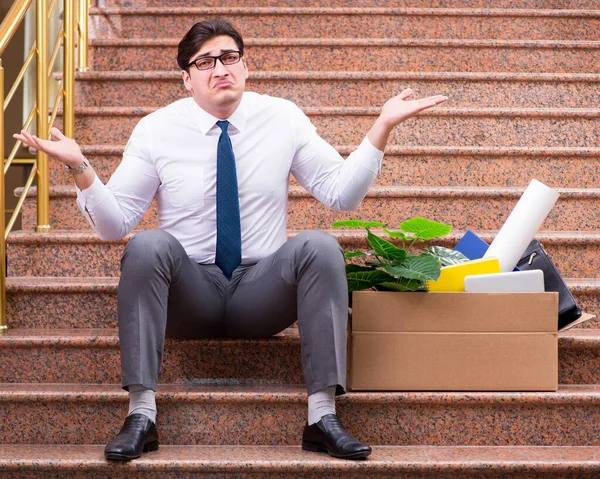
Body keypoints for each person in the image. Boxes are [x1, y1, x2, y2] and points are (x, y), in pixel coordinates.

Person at [15, 18, 447, 461]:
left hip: (260, 292)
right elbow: (114, 225)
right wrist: (80, 167)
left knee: (319, 245)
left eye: (229, 57)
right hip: (189, 296)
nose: (219, 68)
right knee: (146, 245)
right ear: (186, 79)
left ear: (245, 67)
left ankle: (322, 416)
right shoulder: (156, 129)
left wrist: (381, 128)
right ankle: (141, 414)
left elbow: (341, 195)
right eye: (204, 62)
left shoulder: (281, 117)